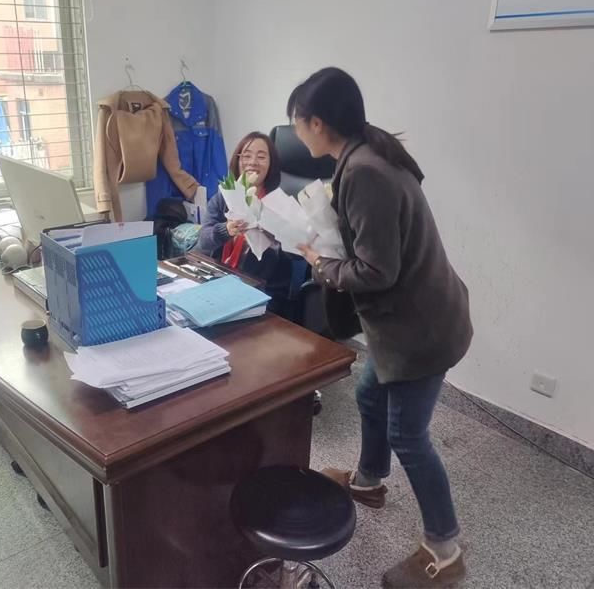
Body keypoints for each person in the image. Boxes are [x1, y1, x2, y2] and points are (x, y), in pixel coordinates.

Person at [289, 67, 473, 588]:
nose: (297, 132)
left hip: (420, 331)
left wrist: (320, 264)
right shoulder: (367, 153)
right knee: (370, 394)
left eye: (298, 122)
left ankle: (446, 549)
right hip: (413, 321)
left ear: (317, 123)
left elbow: (377, 271)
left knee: (408, 435)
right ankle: (369, 481)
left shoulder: (365, 171)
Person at [198, 132, 297, 318]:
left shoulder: (278, 203)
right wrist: (226, 230)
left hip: (263, 291)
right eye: (246, 155)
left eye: (261, 157)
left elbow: (295, 253)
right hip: (220, 281)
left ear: (271, 164)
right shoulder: (224, 197)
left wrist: (276, 233)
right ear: (238, 161)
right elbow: (204, 240)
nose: (253, 162)